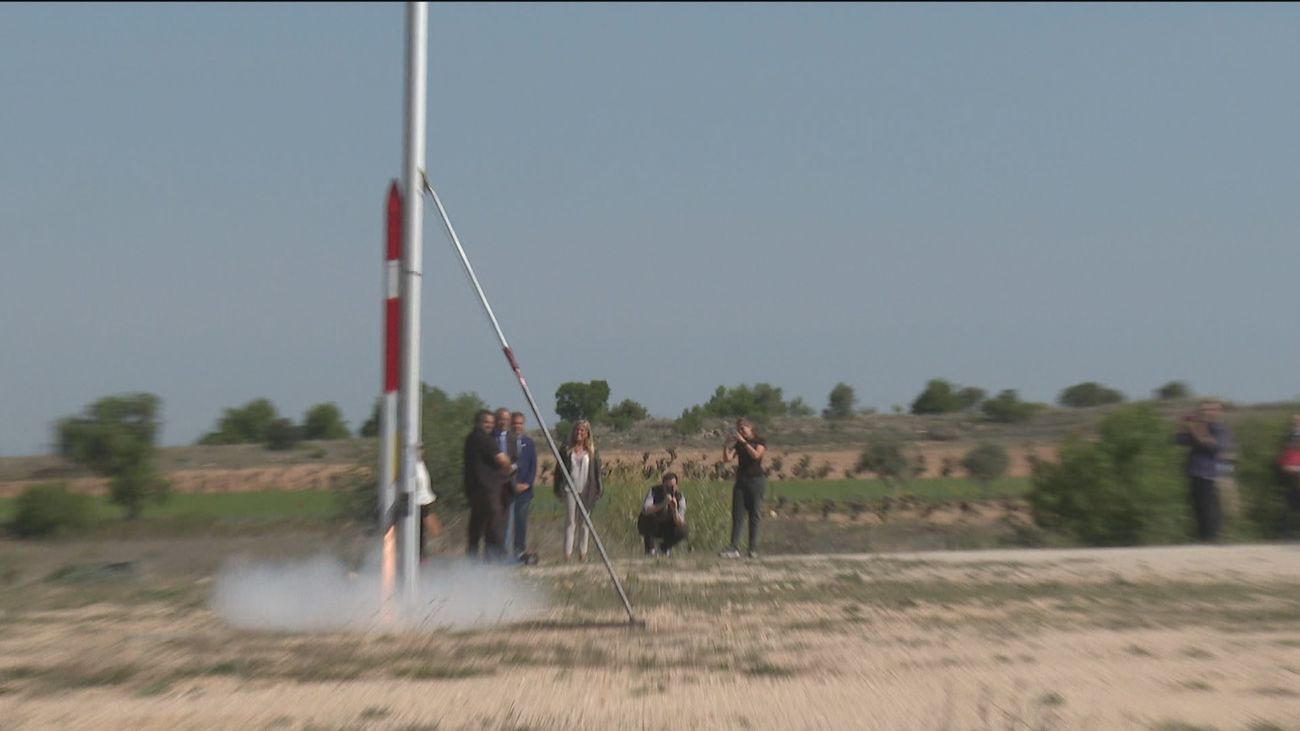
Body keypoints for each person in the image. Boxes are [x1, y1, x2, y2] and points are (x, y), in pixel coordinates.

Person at [1175, 400, 1231, 542]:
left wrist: (1196, 429)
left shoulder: (1219, 428)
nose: (1205, 413)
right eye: (1202, 410)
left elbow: (1214, 447)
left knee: (1208, 509)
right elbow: (1179, 440)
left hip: (1209, 474)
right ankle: (1203, 538)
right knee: (1198, 508)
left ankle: (1211, 538)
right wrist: (1182, 424)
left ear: (1218, 412)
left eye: (1209, 409)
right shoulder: (1200, 427)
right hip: (1195, 472)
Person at [464, 409, 513, 560]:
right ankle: (495, 556)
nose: (489, 425)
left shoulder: (470, 438)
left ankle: (472, 558)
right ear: (478, 423)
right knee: (494, 523)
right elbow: (503, 460)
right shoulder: (485, 439)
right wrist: (508, 467)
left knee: (476, 525)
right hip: (489, 488)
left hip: (473, 488)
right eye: (486, 422)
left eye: (491, 423)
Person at [553, 419, 603, 562]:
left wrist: (599, 488)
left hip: (587, 490)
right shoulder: (566, 450)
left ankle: (583, 553)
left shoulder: (592, 452)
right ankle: (567, 554)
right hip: (570, 489)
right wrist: (557, 489)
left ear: (587, 433)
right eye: (577, 430)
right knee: (570, 521)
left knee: (585, 523)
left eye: (582, 430)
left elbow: (597, 472)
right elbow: (558, 471)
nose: (579, 433)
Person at [720, 418, 767, 559]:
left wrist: (744, 443)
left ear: (750, 427)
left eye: (742, 428)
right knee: (738, 514)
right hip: (741, 481)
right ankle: (733, 547)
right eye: (738, 429)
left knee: (754, 514)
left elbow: (756, 455)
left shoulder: (759, 441)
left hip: (756, 480)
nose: (740, 431)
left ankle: (752, 548)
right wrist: (726, 444)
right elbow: (727, 459)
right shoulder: (739, 444)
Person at [502, 411, 539, 564]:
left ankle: (519, 551)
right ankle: (504, 553)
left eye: (520, 423)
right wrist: (513, 484)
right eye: (515, 423)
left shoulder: (529, 443)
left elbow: (533, 465)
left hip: (525, 491)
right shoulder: (505, 442)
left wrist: (526, 484)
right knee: (507, 522)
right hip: (509, 489)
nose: (517, 426)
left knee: (521, 522)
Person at [638, 472, 687, 556]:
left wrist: (674, 510)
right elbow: (645, 510)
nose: (669, 489)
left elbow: (680, 521)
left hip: (667, 527)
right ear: (663, 485)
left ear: (676, 486)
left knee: (682, 530)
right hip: (653, 525)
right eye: (667, 486)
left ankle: (664, 548)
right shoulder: (653, 491)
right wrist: (663, 503)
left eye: (672, 487)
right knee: (648, 518)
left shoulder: (680, 497)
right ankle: (650, 549)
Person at [413, 443, 440, 561]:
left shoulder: (422, 464)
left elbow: (425, 485)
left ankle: (422, 555)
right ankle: (419, 556)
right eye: (417, 449)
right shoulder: (411, 466)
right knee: (418, 532)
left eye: (421, 449)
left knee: (425, 531)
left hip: (425, 501)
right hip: (416, 503)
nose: (420, 451)